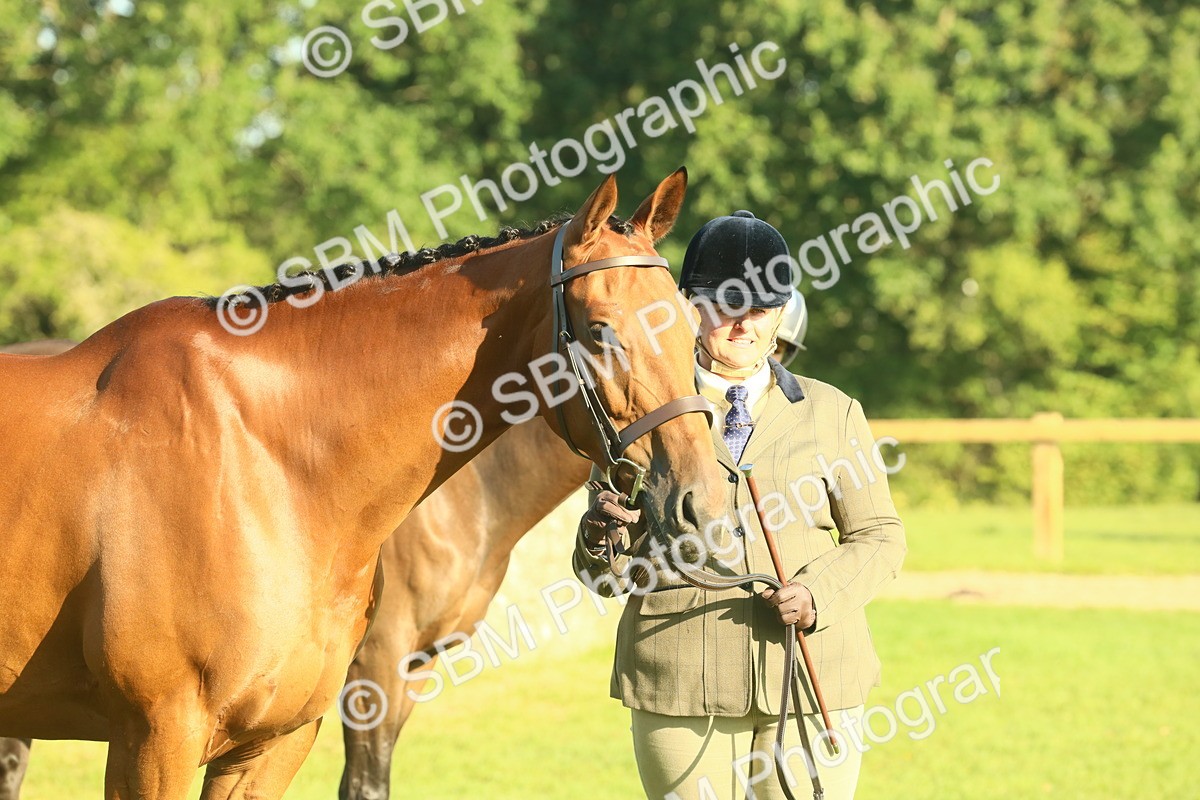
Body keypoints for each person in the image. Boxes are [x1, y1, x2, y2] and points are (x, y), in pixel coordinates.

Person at [572, 211, 906, 800]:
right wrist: (600, 540)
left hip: (812, 675)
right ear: (686, 304)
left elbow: (880, 536)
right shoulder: (636, 411)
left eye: (762, 307)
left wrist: (817, 593)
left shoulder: (834, 412)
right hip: (680, 681)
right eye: (725, 304)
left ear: (782, 313)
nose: (742, 323)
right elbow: (605, 576)